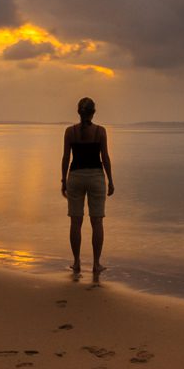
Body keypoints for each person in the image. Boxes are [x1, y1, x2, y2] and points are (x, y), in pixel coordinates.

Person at [61, 97, 114, 276]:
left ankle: (76, 263)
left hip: (75, 176)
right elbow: (105, 158)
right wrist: (111, 180)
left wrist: (63, 180)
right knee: (97, 221)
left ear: (78, 112)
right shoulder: (100, 131)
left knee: (76, 221)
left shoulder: (70, 131)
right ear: (93, 112)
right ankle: (96, 264)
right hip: (96, 177)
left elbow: (66, 158)